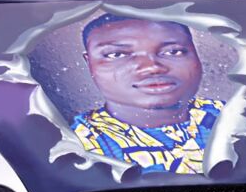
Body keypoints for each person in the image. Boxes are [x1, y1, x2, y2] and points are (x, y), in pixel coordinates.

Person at [71, 13, 224, 174]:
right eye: (116, 54)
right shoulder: (77, 147)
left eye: (173, 51)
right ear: (89, 63)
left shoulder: (229, 115)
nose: (151, 67)